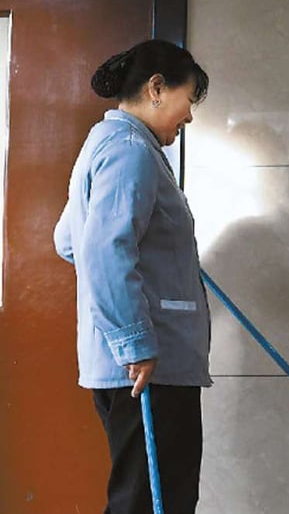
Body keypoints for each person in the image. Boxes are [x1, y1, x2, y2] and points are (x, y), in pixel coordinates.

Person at [53, 40, 211, 514]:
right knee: (151, 502)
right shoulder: (130, 151)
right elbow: (101, 248)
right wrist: (135, 341)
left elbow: (69, 240)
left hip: (133, 367)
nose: (188, 118)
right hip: (146, 369)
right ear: (157, 88)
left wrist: (163, 263)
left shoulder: (107, 144)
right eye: (188, 102)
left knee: (143, 496)